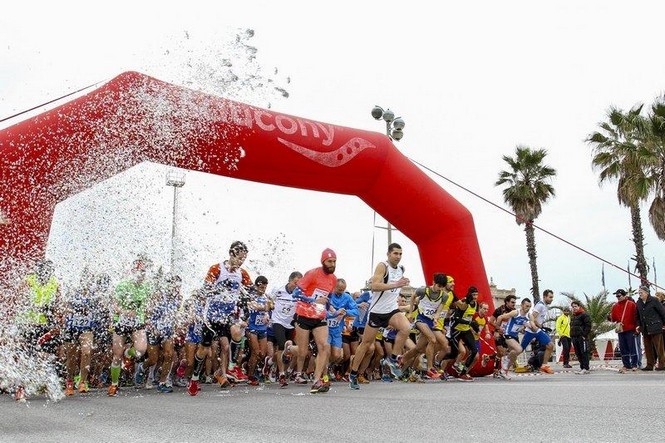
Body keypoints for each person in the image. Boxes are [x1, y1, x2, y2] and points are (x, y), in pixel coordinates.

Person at [188, 241, 250, 396]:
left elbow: (250, 292)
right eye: (239, 258)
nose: (241, 262)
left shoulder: (242, 273)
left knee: (235, 333)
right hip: (211, 316)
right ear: (231, 254)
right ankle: (194, 379)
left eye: (244, 259)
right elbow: (206, 289)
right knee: (204, 349)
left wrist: (250, 307)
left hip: (227, 315)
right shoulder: (217, 269)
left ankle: (231, 367)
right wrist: (220, 291)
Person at [349, 243, 410, 390]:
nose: (398, 256)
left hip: (391, 310)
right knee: (365, 345)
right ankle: (353, 373)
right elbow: (374, 286)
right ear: (388, 254)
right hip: (377, 312)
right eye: (395, 253)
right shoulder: (382, 266)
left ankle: (392, 359)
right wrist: (396, 284)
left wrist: (400, 283)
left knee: (406, 328)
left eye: (400, 254)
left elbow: (394, 287)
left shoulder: (401, 269)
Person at [291, 248, 338, 394]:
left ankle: (317, 380)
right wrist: (313, 300)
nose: (332, 264)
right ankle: (288, 349)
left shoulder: (333, 279)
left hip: (319, 317)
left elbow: (327, 298)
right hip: (304, 315)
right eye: (330, 261)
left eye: (334, 261)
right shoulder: (312, 273)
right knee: (303, 352)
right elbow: (295, 293)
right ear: (323, 261)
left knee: (324, 346)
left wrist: (332, 310)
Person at [107, 256, 153, 397]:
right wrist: (125, 312)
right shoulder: (123, 285)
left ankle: (128, 353)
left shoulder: (147, 286)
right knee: (117, 355)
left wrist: (147, 314)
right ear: (133, 272)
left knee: (140, 351)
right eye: (140, 272)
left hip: (137, 322)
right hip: (121, 321)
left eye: (144, 272)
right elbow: (114, 305)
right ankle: (114, 384)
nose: (142, 275)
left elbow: (147, 305)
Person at [400, 273, 451, 380]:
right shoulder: (423, 290)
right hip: (420, 319)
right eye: (438, 286)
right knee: (432, 339)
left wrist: (436, 319)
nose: (440, 289)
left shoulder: (444, 296)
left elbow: (438, 311)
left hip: (430, 321)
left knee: (418, 348)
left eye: (442, 287)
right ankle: (429, 368)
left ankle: (402, 359)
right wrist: (410, 313)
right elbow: (413, 297)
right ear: (433, 283)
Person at [62, 268, 100, 395]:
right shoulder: (73, 292)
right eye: (85, 278)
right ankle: (70, 381)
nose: (87, 282)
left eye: (90, 279)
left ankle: (83, 381)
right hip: (71, 328)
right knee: (71, 357)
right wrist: (73, 311)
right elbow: (65, 307)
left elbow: (101, 308)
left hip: (87, 328)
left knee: (86, 353)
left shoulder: (95, 295)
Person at [269, 271, 302, 388]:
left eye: (299, 284)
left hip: (291, 324)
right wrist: (267, 312)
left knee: (288, 351)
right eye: (295, 283)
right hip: (278, 321)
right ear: (290, 281)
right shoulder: (278, 290)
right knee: (283, 346)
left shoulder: (300, 294)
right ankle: (282, 374)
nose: (297, 286)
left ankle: (271, 362)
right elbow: (269, 300)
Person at [326, 279, 359, 381]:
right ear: (334, 286)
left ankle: (329, 366)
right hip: (325, 329)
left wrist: (345, 312)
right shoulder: (328, 294)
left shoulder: (347, 297)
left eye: (342, 290)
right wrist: (334, 313)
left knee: (337, 355)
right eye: (339, 289)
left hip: (337, 330)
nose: (340, 291)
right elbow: (320, 308)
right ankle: (323, 373)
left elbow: (356, 311)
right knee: (325, 352)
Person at [246, 276, 272, 386]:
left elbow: (271, 306)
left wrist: (266, 313)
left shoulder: (266, 296)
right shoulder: (251, 296)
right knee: (255, 352)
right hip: (252, 328)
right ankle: (250, 376)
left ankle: (254, 369)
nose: (263, 289)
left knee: (263, 354)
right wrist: (265, 307)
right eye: (261, 287)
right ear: (256, 286)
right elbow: (254, 306)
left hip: (262, 328)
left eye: (265, 287)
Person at [634, 285, 665, 371]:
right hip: (645, 328)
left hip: (655, 327)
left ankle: (662, 364)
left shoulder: (654, 300)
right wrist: (638, 325)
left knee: (659, 347)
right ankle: (650, 365)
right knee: (648, 348)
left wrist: (663, 323)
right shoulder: (638, 302)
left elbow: (662, 312)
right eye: (639, 292)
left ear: (647, 293)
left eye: (641, 292)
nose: (640, 294)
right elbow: (637, 316)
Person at [524, 289, 555, 374]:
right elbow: (532, 317)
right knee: (519, 349)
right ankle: (504, 367)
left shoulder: (544, 306)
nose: (552, 299)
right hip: (531, 330)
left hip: (537, 331)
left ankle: (544, 366)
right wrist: (539, 325)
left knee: (550, 345)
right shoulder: (540, 305)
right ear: (544, 297)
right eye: (550, 297)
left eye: (552, 297)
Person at [609, 289, 638, 373]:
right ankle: (626, 364)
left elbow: (635, 317)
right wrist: (610, 317)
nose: (617, 297)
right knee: (623, 347)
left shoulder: (631, 304)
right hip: (621, 330)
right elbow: (613, 318)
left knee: (632, 347)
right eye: (616, 296)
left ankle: (634, 364)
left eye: (619, 296)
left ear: (624, 295)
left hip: (630, 328)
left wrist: (636, 328)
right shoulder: (615, 306)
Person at [570, 300, 591, 374]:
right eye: (573, 307)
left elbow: (588, 326)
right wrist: (571, 336)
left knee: (584, 352)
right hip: (574, 337)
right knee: (578, 353)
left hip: (582, 337)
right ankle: (582, 368)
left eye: (575, 306)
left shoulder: (584, 315)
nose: (574, 308)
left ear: (579, 306)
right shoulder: (573, 316)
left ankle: (586, 368)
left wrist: (584, 335)